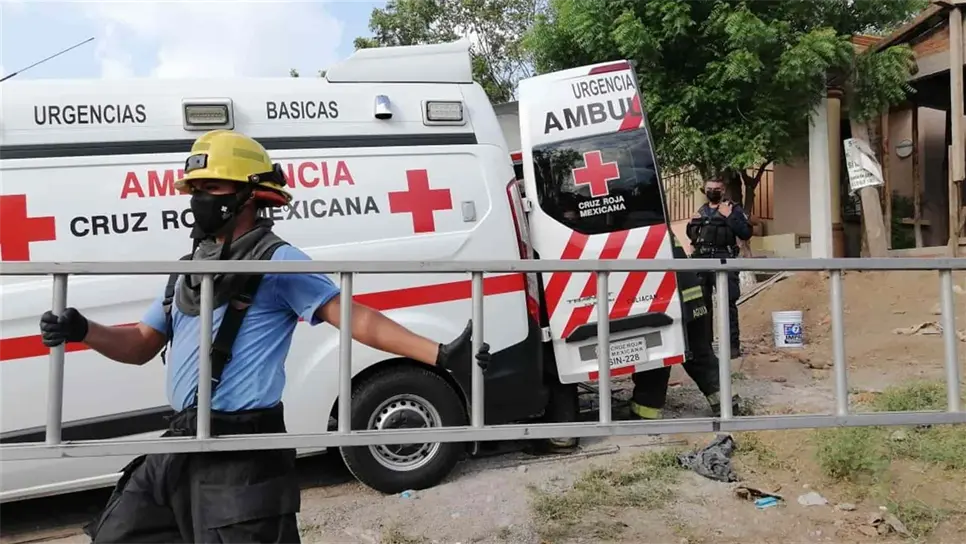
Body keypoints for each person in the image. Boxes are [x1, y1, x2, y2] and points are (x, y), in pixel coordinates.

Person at [39, 129, 488, 544]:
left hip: (244, 455)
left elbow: (352, 317)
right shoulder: (189, 270)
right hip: (181, 446)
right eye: (195, 189)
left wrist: (439, 354)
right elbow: (140, 344)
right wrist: (84, 330)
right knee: (119, 533)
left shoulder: (278, 262)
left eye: (212, 188)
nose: (199, 199)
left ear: (249, 195)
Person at [628, 235, 742, 419]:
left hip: (667, 301)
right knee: (700, 352)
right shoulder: (661, 232)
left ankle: (644, 411)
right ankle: (727, 402)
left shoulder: (635, 236)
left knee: (658, 357)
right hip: (690, 296)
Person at [686, 176, 753, 358]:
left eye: (716, 189)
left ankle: (732, 346)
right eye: (709, 188)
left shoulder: (732, 208)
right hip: (702, 260)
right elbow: (692, 235)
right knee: (702, 306)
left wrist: (729, 216)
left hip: (724, 259)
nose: (712, 192)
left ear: (723, 191)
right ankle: (704, 347)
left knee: (728, 303)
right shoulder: (702, 210)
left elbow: (746, 232)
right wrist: (692, 223)